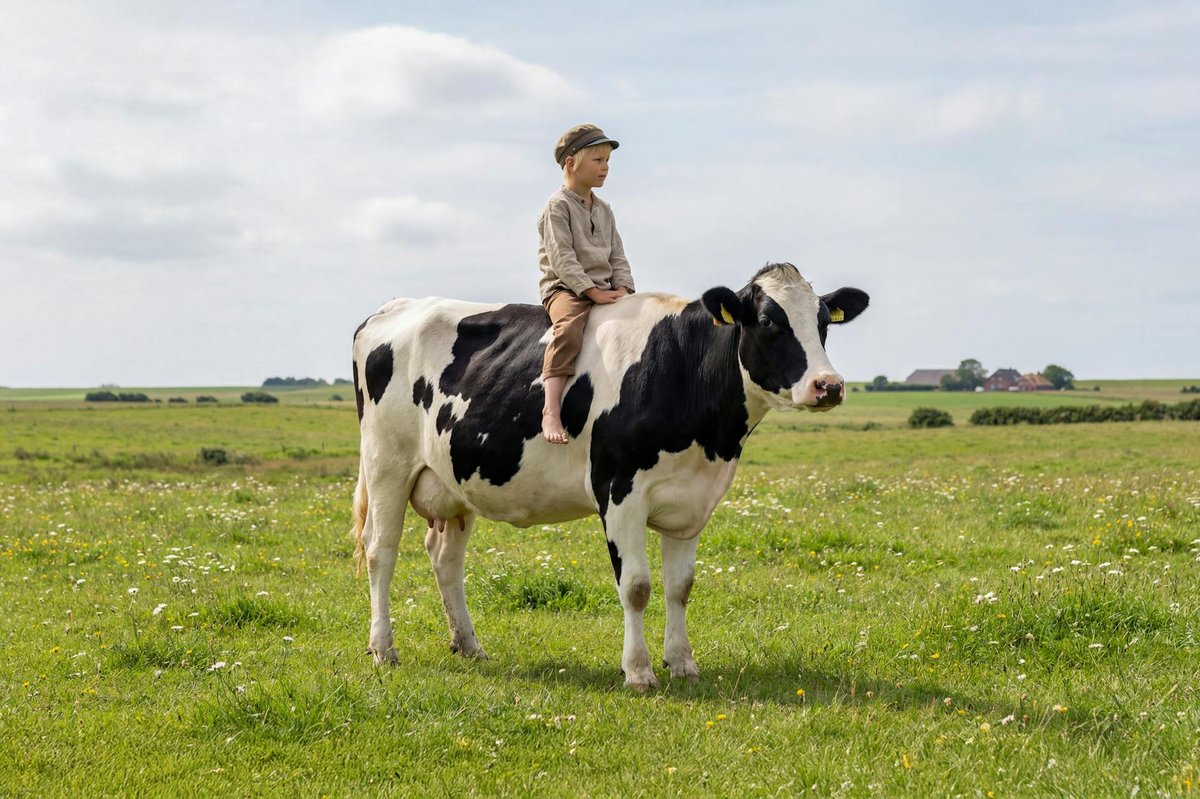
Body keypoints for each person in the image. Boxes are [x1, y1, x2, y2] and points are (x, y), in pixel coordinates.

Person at [537, 123, 635, 444]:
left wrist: (624, 289)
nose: (606, 167)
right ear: (571, 164)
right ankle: (551, 409)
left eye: (608, 161)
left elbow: (617, 254)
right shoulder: (557, 207)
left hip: (604, 289)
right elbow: (562, 258)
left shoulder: (605, 210)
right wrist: (590, 291)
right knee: (568, 329)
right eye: (598, 160)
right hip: (567, 289)